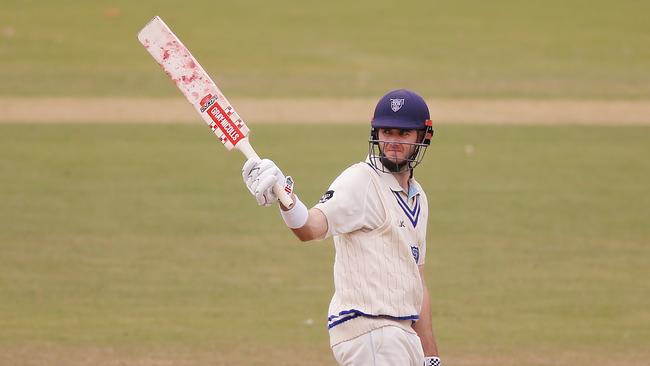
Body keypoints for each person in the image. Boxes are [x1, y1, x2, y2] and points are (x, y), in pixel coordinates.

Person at [242, 89, 441, 366]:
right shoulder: (360, 180)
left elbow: (417, 282)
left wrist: (430, 355)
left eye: (403, 133)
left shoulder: (418, 197)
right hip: (369, 329)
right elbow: (310, 227)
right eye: (387, 132)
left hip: (402, 335)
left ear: (423, 137)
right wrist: (286, 202)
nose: (393, 141)